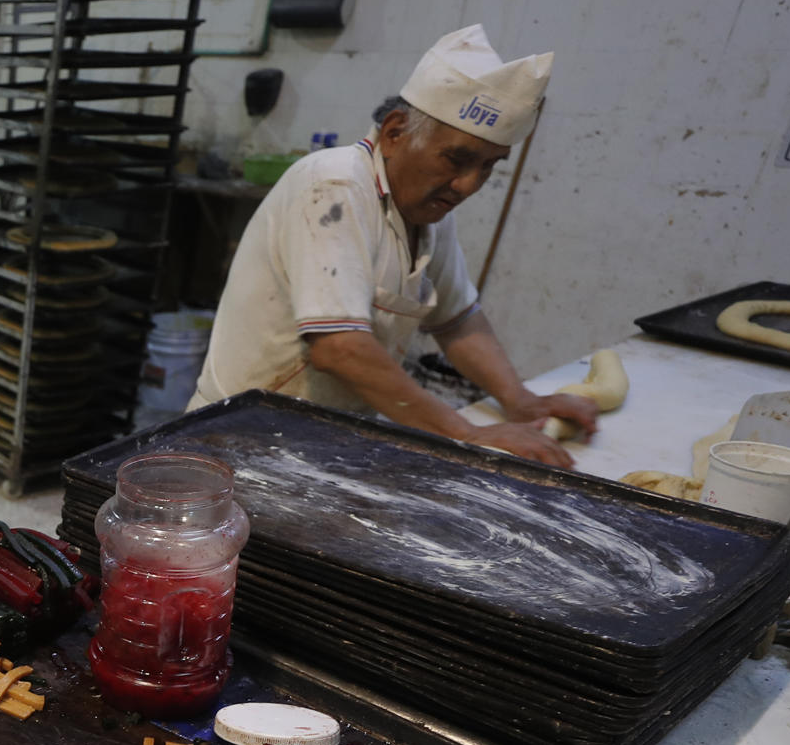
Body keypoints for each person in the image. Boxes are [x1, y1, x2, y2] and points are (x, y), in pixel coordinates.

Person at [187, 25, 597, 466]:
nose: (468, 185)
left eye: (488, 167)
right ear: (395, 133)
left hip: (325, 444)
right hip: (236, 442)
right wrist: (466, 432)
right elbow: (338, 347)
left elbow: (459, 321)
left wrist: (521, 401)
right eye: (457, 159)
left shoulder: (428, 214)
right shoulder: (334, 185)